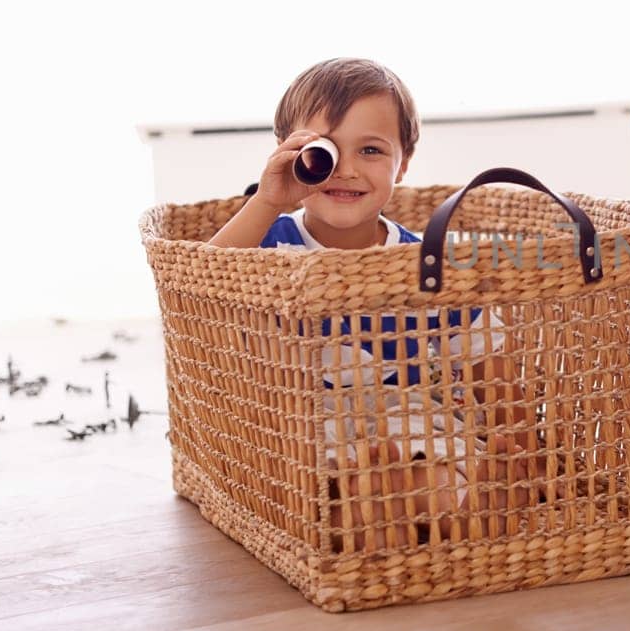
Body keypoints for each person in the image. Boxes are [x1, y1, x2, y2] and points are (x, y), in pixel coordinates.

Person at [211, 57, 529, 550]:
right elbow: (202, 285)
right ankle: (374, 511)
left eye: (372, 150)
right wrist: (268, 200)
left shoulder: (424, 261)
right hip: (305, 428)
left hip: (408, 423)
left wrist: (512, 430)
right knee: (320, 492)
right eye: (325, 150)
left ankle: (470, 511)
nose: (349, 169)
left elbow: (486, 348)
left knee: (438, 481)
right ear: (289, 154)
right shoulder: (269, 240)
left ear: (403, 164)